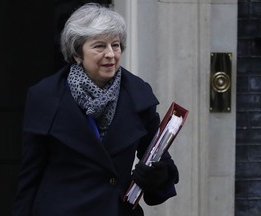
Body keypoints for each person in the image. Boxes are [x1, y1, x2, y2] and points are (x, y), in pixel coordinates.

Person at [11, 3, 179, 216]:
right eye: (99, 46)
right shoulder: (44, 97)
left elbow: (161, 161)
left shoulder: (139, 96)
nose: (110, 54)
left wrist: (156, 175)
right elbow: (30, 175)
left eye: (116, 45)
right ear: (77, 54)